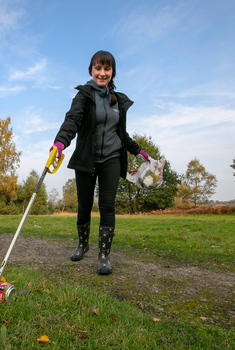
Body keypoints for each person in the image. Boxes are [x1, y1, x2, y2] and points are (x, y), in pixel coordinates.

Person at [50, 50, 150, 275]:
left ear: (112, 72)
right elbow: (72, 121)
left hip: (112, 158)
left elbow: (121, 134)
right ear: (91, 70)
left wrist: (140, 152)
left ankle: (104, 255)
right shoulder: (84, 96)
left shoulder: (117, 100)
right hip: (87, 158)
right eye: (98, 68)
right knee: (84, 205)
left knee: (107, 205)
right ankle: (83, 245)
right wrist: (60, 143)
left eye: (107, 69)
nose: (102, 73)